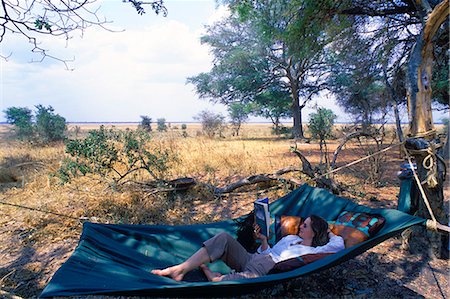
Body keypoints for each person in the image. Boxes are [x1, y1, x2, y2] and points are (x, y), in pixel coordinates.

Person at [151, 215, 344, 282]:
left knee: (219, 281)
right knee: (223, 238)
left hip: (264, 270)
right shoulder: (291, 238)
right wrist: (263, 240)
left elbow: (339, 244)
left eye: (306, 225)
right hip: (254, 259)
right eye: (302, 223)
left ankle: (216, 277)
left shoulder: (316, 251)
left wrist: (328, 229)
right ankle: (181, 269)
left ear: (315, 231)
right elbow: (267, 252)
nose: (301, 226)